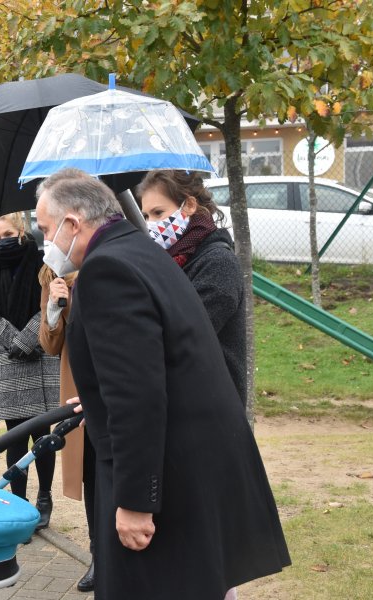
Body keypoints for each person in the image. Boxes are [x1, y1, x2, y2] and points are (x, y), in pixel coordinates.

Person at [34, 168, 290, 600]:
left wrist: (136, 502)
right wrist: (97, 399)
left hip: (164, 471)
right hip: (193, 459)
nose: (45, 241)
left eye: (45, 229)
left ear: (72, 223)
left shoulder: (106, 271)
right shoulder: (140, 250)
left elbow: (138, 395)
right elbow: (152, 362)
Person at [137, 169, 247, 406]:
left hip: (212, 407)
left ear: (188, 205)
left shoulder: (217, 262)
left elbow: (183, 336)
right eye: (146, 216)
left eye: (158, 212)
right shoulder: (166, 261)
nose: (151, 224)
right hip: (181, 400)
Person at [0, 213, 59, 528]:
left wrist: (27, 340)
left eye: (7, 234)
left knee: (43, 436)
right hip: (8, 361)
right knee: (15, 438)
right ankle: (19, 503)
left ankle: (45, 498)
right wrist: (16, 342)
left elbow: (50, 306)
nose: (1, 242)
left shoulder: (44, 261)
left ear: (21, 230)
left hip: (40, 358)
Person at [38, 264, 95, 590]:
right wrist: (53, 310)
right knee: (90, 470)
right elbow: (50, 345)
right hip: (79, 387)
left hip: (118, 377)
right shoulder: (52, 276)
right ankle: (97, 556)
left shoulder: (103, 262)